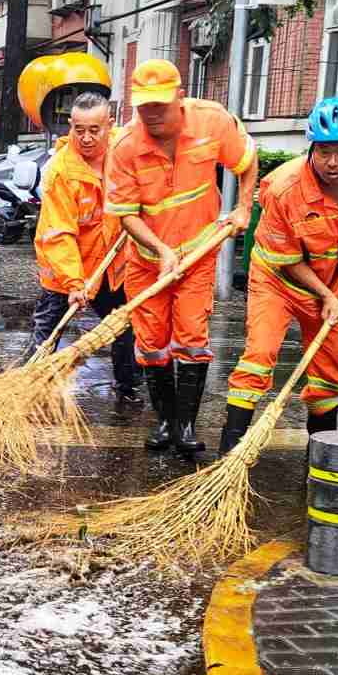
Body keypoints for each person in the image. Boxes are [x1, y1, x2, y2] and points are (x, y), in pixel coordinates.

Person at [221, 96, 338, 453]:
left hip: (333, 282)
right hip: (277, 278)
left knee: (333, 371)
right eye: (323, 152)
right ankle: (227, 456)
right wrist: (327, 295)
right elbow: (287, 260)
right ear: (311, 148)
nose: (332, 163)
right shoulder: (283, 189)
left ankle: (319, 454)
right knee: (258, 359)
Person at [106, 58, 258, 455]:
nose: (151, 113)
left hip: (199, 252)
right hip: (146, 259)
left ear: (179, 96)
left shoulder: (212, 122)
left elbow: (246, 160)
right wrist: (161, 250)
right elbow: (126, 215)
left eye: (160, 103)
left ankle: (186, 426)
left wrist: (243, 206)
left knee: (191, 338)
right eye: (143, 106)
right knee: (152, 343)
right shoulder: (124, 146)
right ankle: (165, 422)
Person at [30, 91, 140, 404]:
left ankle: (128, 389)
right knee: (48, 334)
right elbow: (59, 233)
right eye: (79, 130)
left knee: (123, 328)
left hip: (113, 266)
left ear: (110, 124)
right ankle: (32, 388)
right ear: (70, 125)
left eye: (95, 130)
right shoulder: (61, 171)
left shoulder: (124, 151)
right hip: (66, 271)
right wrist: (74, 283)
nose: (87, 138)